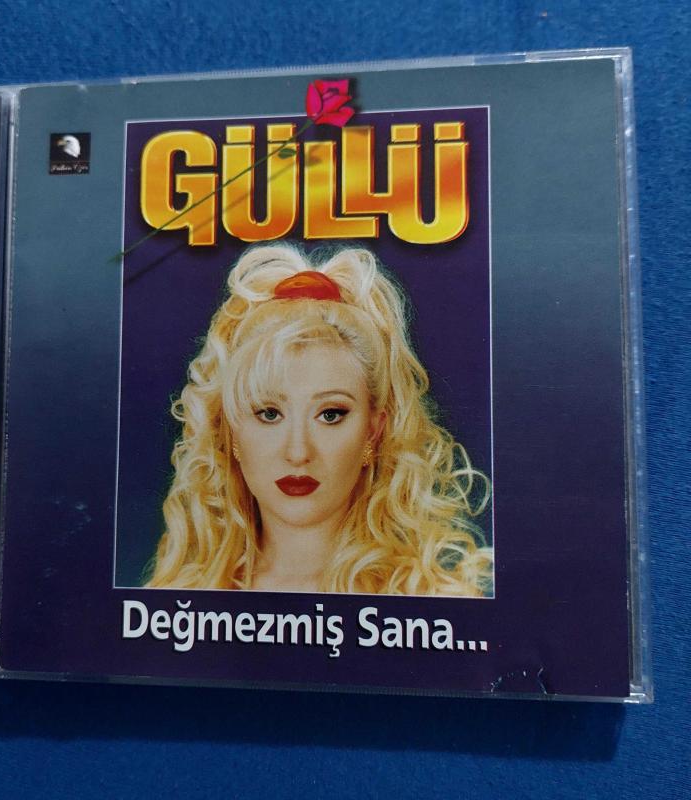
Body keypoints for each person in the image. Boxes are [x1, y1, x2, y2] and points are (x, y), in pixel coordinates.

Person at [145, 244, 492, 596]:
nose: (298, 452)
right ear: (231, 430)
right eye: (269, 414)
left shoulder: (435, 600)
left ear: (373, 431)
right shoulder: (182, 597)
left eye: (330, 415)